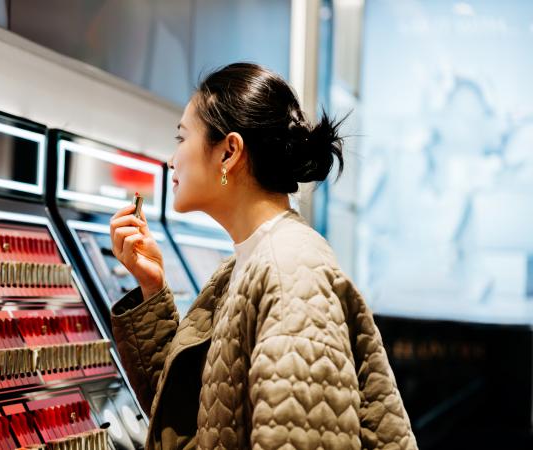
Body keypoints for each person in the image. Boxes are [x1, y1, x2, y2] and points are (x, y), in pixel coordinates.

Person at [109, 63, 416, 449]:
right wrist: (152, 287)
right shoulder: (250, 263)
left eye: (181, 138)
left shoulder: (290, 274)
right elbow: (195, 420)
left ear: (229, 152)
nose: (173, 160)